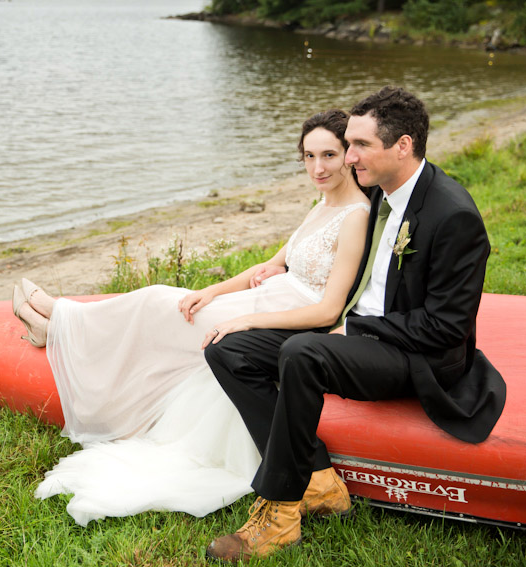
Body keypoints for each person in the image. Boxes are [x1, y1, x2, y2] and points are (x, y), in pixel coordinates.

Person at [10, 109, 370, 526]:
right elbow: (271, 264)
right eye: (308, 156)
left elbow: (328, 309)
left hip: (288, 315)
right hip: (266, 297)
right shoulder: (322, 204)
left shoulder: (356, 216)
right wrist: (212, 290)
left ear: (348, 154)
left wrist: (249, 322)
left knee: (154, 304)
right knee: (165, 301)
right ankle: (59, 324)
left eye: (328, 155)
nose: (317, 167)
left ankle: (60, 322)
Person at [203, 86, 507, 564]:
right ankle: (320, 479)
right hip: (354, 330)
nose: (348, 156)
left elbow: (446, 327)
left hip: (415, 356)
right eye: (348, 144)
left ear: (402, 146)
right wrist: (277, 268)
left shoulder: (453, 216)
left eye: (360, 145)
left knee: (303, 352)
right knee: (228, 349)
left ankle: (279, 512)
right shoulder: (374, 193)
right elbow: (324, 230)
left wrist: (356, 332)